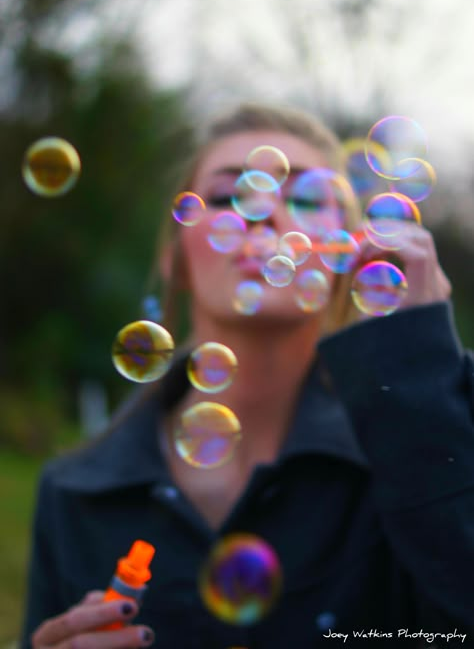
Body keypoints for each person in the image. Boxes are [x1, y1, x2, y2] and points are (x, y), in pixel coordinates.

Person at [21, 103, 474, 649]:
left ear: (350, 252)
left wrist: (421, 367)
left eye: (306, 199)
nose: (264, 212)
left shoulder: (420, 456)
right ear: (175, 256)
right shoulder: (73, 494)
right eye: (226, 196)